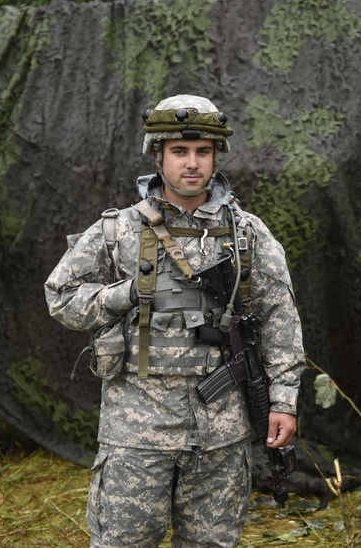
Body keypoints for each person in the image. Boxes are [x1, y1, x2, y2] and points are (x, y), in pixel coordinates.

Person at [44, 94, 305, 548]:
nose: (192, 164)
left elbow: (279, 317)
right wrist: (126, 293)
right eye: (180, 152)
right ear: (157, 155)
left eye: (203, 152)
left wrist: (283, 399)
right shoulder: (118, 230)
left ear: (215, 157)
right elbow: (61, 298)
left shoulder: (247, 233)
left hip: (222, 430)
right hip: (136, 431)